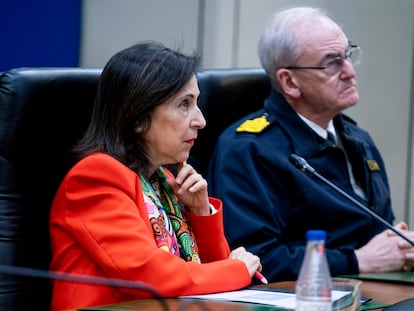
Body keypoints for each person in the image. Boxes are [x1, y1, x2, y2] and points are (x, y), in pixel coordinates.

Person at [49, 41, 262, 311]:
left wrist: (199, 212)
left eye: (196, 103)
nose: (200, 120)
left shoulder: (162, 179)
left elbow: (213, 285)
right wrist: (237, 269)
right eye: (184, 105)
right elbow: (151, 275)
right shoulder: (96, 177)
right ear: (138, 118)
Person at [207, 6, 414, 283]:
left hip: (375, 288)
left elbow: (376, 229)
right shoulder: (248, 149)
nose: (350, 72)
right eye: (332, 63)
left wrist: (398, 244)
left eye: (348, 55)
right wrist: (358, 260)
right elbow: (254, 258)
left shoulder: (357, 138)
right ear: (290, 82)